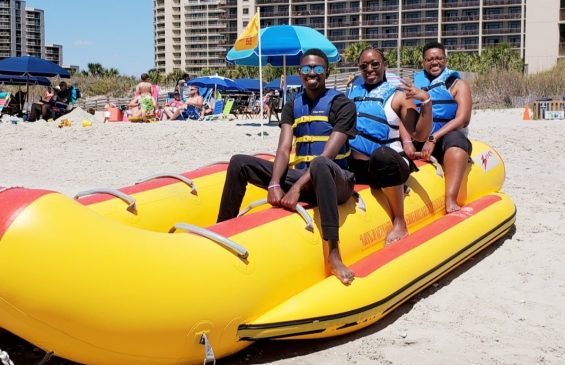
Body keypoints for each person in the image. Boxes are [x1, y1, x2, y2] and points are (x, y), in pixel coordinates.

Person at [217, 48, 357, 285]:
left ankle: (333, 254)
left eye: (318, 68)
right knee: (240, 162)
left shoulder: (342, 104)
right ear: (299, 72)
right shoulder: (293, 104)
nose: (311, 73)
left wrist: (296, 189)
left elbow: (328, 155)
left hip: (337, 181)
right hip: (304, 177)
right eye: (306, 68)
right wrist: (274, 183)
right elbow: (283, 149)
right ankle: (221, 231)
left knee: (321, 163)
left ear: (327, 72)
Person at [347, 47, 433, 245]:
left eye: (375, 64)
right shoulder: (352, 93)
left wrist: (426, 101)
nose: (370, 69)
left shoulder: (398, 96)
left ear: (384, 65)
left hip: (389, 165)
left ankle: (400, 222)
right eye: (364, 65)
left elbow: (419, 134)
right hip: (359, 167)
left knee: (383, 155)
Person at [400, 41, 473, 213]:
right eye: (430, 59)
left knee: (456, 141)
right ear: (423, 62)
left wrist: (433, 138)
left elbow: (463, 119)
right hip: (418, 136)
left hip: (446, 138)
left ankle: (451, 200)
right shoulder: (414, 86)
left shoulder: (457, 85)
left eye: (439, 58)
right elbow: (403, 115)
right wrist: (407, 142)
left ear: (445, 60)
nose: (435, 62)